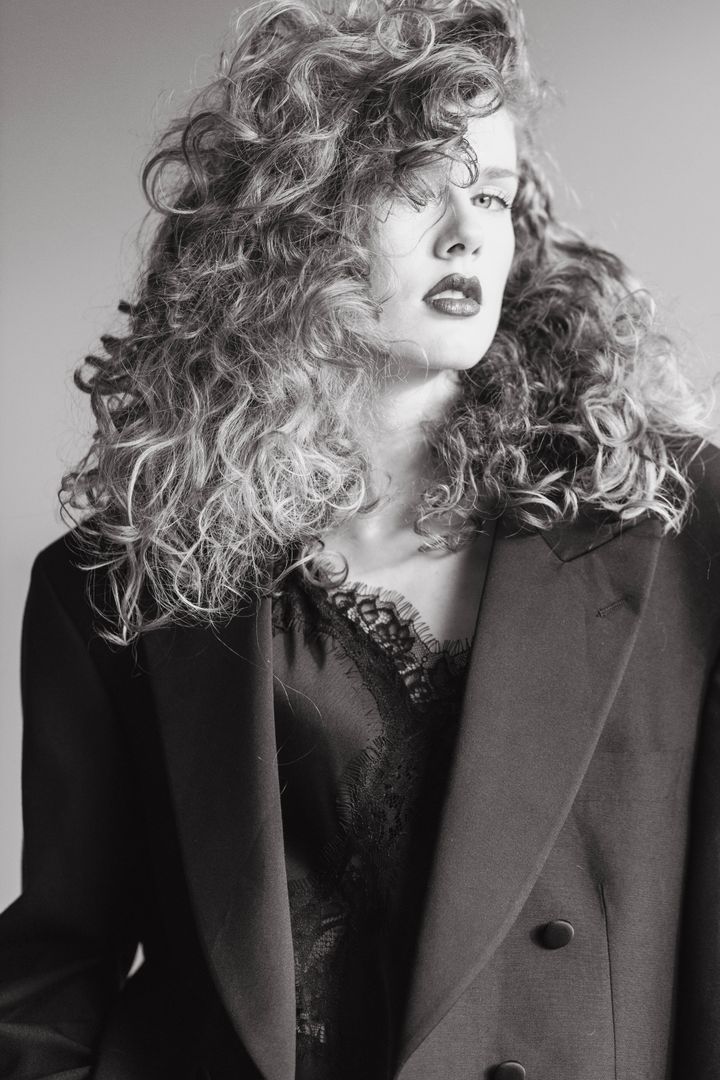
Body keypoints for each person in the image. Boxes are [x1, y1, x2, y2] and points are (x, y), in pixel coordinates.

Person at [0, 0, 718, 1077]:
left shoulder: (669, 522)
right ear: (286, 223)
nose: (468, 232)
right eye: (415, 187)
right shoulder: (117, 581)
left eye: (491, 193)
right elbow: (58, 957)